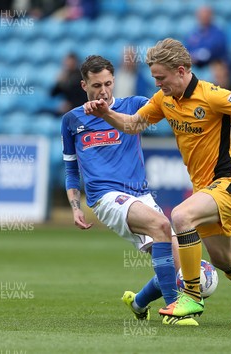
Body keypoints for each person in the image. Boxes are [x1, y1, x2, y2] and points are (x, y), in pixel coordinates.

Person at [83, 38, 231, 326]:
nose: (157, 84)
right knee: (223, 259)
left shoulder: (212, 96)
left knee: (181, 216)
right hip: (206, 190)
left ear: (181, 71)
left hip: (229, 183)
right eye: (155, 78)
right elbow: (132, 125)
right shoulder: (164, 100)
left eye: (161, 78)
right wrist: (106, 113)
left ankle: (190, 296)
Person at [61, 55, 193, 326]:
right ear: (84, 85)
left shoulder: (132, 106)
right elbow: (71, 170)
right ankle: (173, 309)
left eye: (108, 83)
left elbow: (165, 103)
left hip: (140, 195)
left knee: (176, 267)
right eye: (96, 85)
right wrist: (75, 208)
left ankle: (138, 302)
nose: (104, 91)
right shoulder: (72, 120)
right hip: (105, 197)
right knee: (161, 225)